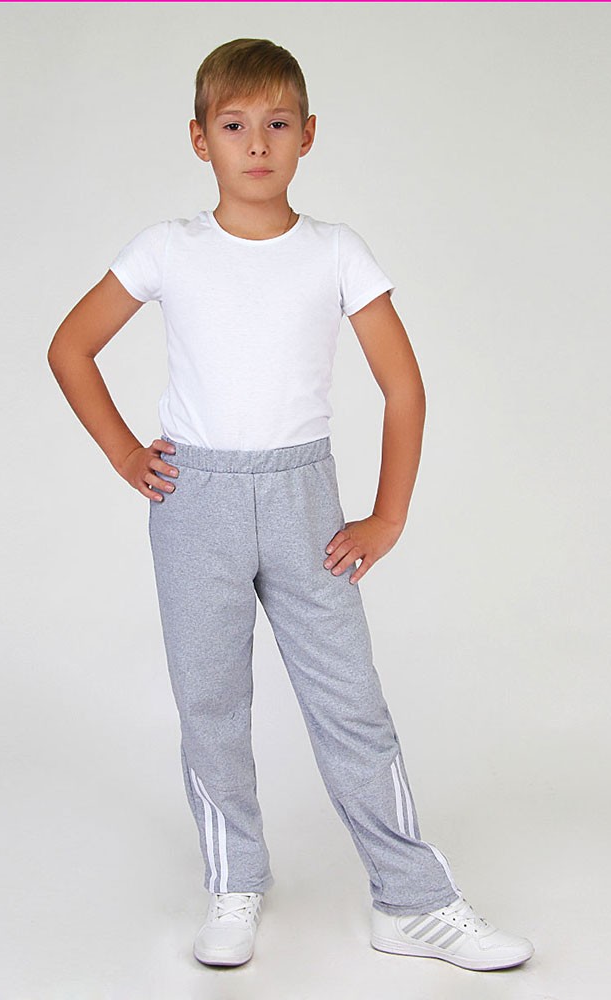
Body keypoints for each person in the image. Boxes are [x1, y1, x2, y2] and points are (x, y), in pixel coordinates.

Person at [47, 37, 535, 973]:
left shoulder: (335, 252)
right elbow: (71, 346)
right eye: (234, 126)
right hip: (196, 504)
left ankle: (414, 901)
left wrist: (387, 515)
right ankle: (234, 882)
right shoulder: (167, 249)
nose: (257, 144)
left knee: (351, 703)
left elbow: (404, 386)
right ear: (200, 140)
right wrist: (124, 452)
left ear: (308, 135)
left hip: (304, 496)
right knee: (210, 703)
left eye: (277, 124)